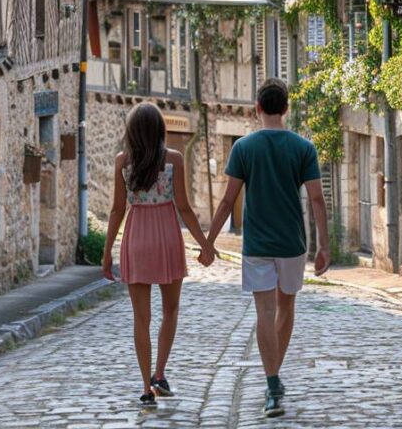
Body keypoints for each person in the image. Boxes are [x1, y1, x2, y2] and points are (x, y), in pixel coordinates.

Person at [207, 78, 329, 418]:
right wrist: (324, 246)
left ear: (257, 108)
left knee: (264, 311)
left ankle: (272, 380)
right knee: (286, 306)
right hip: (292, 242)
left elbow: (228, 200)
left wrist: (208, 242)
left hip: (257, 242)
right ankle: (274, 379)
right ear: (286, 108)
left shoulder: (244, 148)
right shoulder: (303, 148)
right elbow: (317, 199)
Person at [102, 103, 215, 407]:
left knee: (141, 318)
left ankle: (144, 387)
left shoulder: (122, 163)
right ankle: (160, 374)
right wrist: (205, 244)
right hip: (166, 238)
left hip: (136, 237)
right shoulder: (174, 160)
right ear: (160, 130)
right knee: (171, 311)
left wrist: (107, 251)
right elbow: (185, 208)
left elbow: (116, 209)